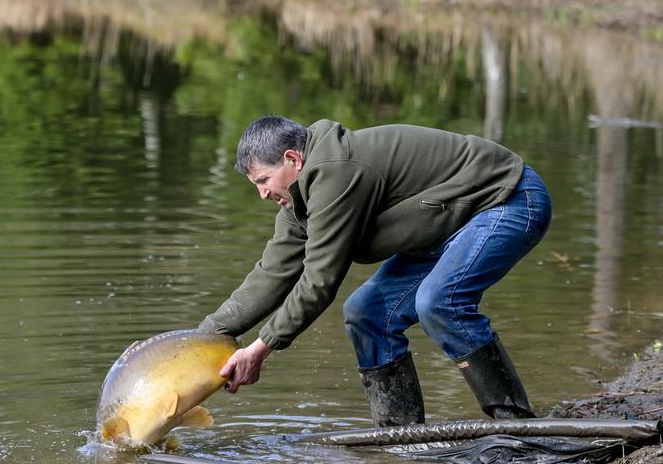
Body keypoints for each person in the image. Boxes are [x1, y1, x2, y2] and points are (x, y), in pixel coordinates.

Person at [197, 115, 552, 425]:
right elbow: (271, 275)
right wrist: (197, 341)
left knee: (438, 302)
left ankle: (516, 428)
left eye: (264, 181)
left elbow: (319, 281)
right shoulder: (298, 203)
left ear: (293, 159)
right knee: (366, 313)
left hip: (509, 199)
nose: (262, 194)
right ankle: (401, 439)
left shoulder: (335, 172)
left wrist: (260, 348)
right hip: (449, 225)